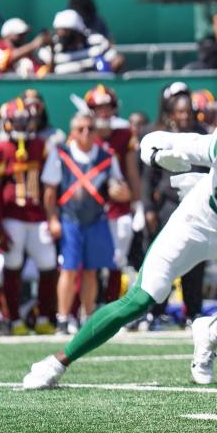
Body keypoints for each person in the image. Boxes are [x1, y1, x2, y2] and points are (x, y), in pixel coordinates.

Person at [22, 121, 217, 390]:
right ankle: (56, 362)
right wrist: (159, 157)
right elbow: (152, 141)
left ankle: (214, 332)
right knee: (140, 299)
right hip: (195, 223)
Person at [42, 112, 130, 333]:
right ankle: (63, 317)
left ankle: (87, 315)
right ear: (73, 132)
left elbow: (117, 186)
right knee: (69, 269)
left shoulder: (107, 156)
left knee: (92, 270)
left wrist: (120, 193)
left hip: (96, 219)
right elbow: (50, 192)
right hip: (70, 219)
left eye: (90, 128)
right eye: (81, 128)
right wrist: (53, 219)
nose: (86, 133)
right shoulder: (61, 154)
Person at [140, 91, 208, 328]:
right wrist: (148, 208)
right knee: (165, 258)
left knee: (196, 259)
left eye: (188, 112)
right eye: (180, 112)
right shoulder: (165, 139)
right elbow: (148, 178)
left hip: (197, 205)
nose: (185, 116)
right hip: (169, 205)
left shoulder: (203, 136)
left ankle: (194, 311)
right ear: (171, 114)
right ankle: (156, 311)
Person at [0, 99, 59, 336]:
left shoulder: (42, 145)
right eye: (17, 120)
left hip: (37, 215)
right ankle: (14, 318)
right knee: (12, 265)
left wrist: (52, 218)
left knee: (48, 264)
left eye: (25, 120)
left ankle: (44, 316)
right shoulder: (0, 149)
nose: (22, 124)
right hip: (12, 216)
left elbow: (50, 185)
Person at [84, 86, 141, 304]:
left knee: (117, 260)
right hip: (91, 207)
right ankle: (91, 305)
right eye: (99, 108)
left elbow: (132, 171)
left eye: (107, 108)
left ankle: (113, 304)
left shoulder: (124, 134)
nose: (104, 113)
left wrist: (137, 202)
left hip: (118, 205)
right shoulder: (84, 134)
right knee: (92, 261)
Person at [37, 8, 118, 74]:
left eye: (66, 30)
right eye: (59, 30)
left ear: (77, 32)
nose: (61, 34)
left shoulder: (97, 42)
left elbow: (116, 59)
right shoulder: (52, 47)